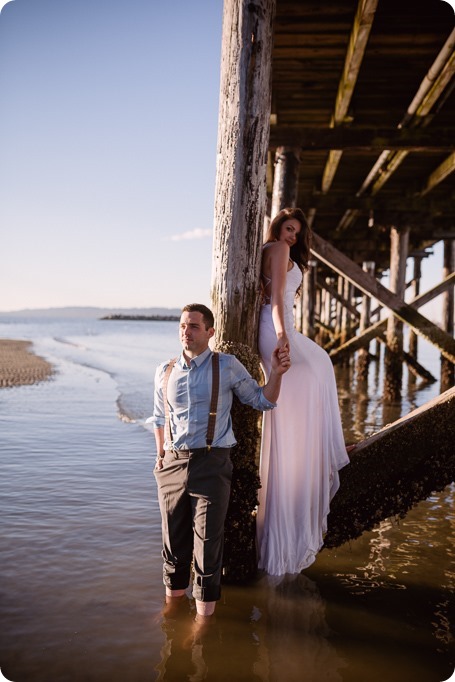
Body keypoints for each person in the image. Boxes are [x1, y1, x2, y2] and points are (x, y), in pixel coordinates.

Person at [150, 303, 290, 622]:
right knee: (172, 541)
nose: (186, 331)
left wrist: (277, 372)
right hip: (171, 464)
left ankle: (203, 618)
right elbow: (159, 417)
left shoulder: (226, 366)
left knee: (208, 544)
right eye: (183, 326)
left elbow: (262, 400)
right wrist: (159, 456)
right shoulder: (165, 370)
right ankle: (172, 605)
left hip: (212, 463)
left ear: (210, 332)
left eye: (194, 326)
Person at [256, 208, 350, 576]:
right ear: (278, 227)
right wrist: (282, 337)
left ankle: (314, 456)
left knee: (319, 370)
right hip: (277, 330)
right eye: (288, 228)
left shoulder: (274, 248)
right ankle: (318, 457)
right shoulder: (277, 249)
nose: (292, 236)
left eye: (297, 231)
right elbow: (277, 296)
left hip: (276, 329)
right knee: (318, 369)